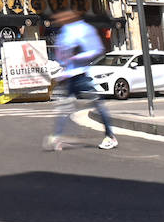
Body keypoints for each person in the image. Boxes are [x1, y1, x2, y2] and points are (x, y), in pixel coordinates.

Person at [43, 8, 118, 151]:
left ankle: (110, 136)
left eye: (63, 17)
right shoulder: (65, 31)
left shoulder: (85, 29)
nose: (60, 20)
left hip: (81, 76)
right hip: (69, 77)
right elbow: (61, 52)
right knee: (65, 108)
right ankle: (57, 137)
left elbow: (96, 50)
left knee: (97, 104)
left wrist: (77, 56)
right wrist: (63, 67)